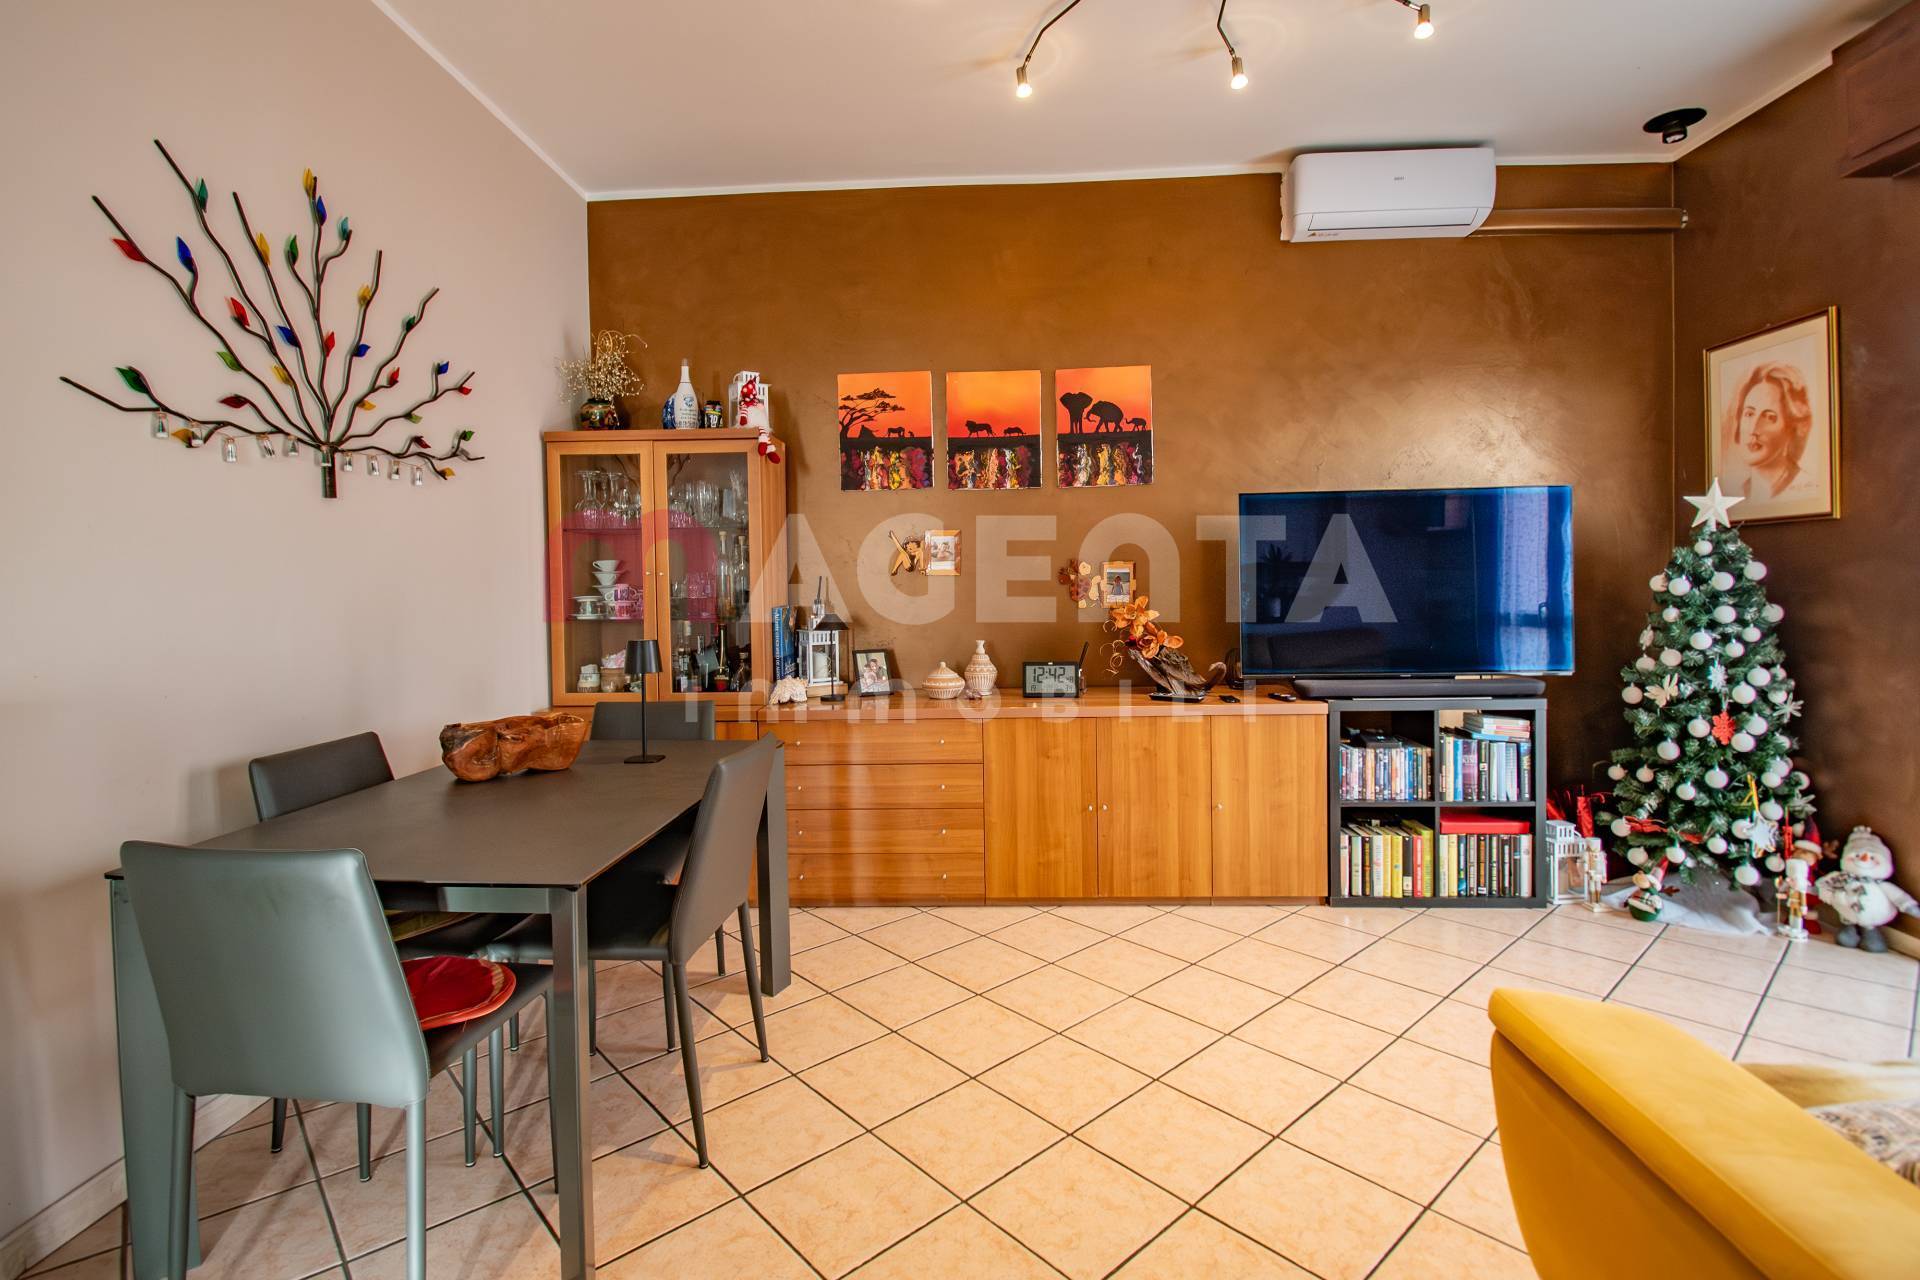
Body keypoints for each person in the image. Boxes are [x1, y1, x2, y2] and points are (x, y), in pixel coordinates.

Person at [1721, 361, 1818, 505]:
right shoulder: (1735, 494)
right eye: (1749, 414)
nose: (1753, 430)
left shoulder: (1807, 487)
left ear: (1791, 428)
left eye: (1769, 417)